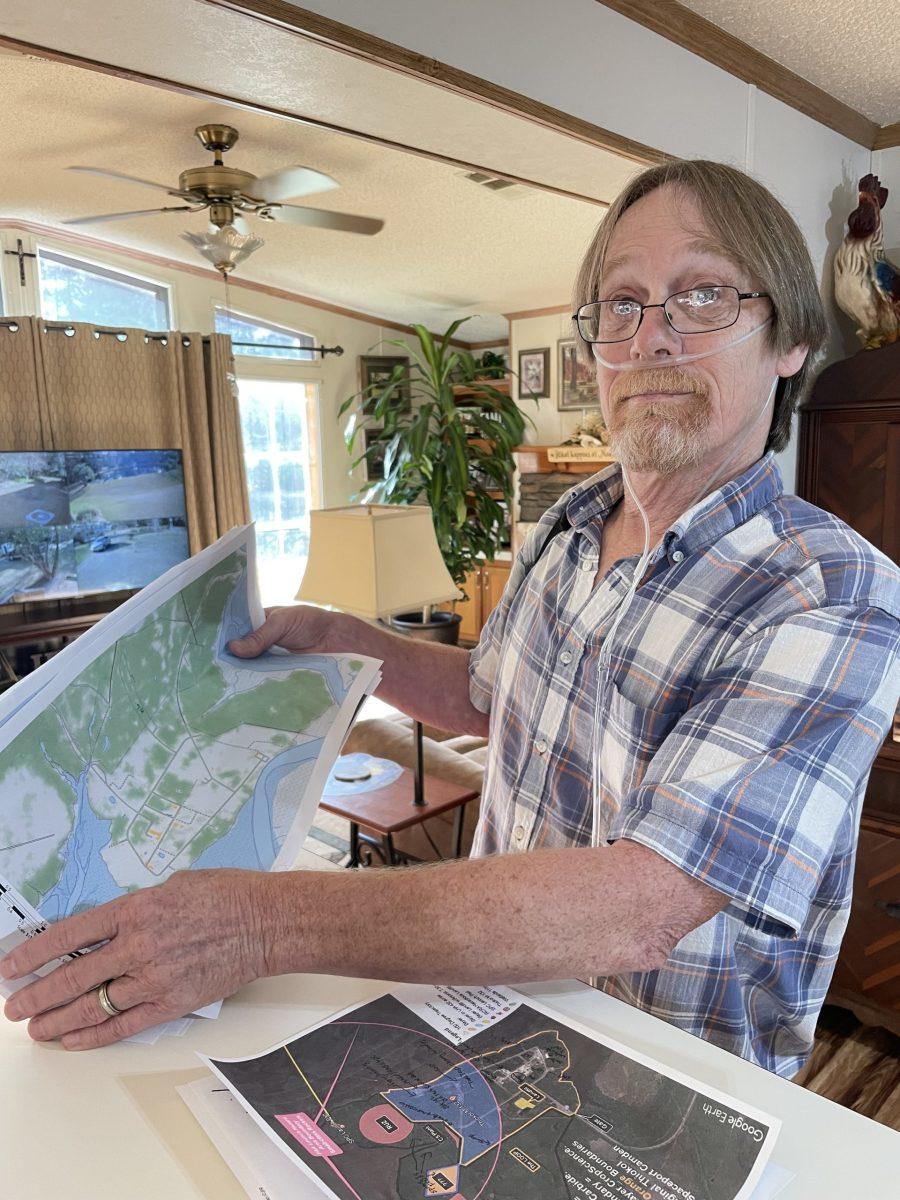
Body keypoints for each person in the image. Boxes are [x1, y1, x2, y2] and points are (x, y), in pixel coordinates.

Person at [3, 160, 899, 1078]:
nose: (650, 339)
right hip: (486, 1023)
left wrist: (257, 922)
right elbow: (487, 696)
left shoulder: (830, 594)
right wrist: (347, 641)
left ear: (789, 340)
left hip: (666, 1093)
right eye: (621, 304)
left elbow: (642, 905)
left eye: (702, 295)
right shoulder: (571, 524)